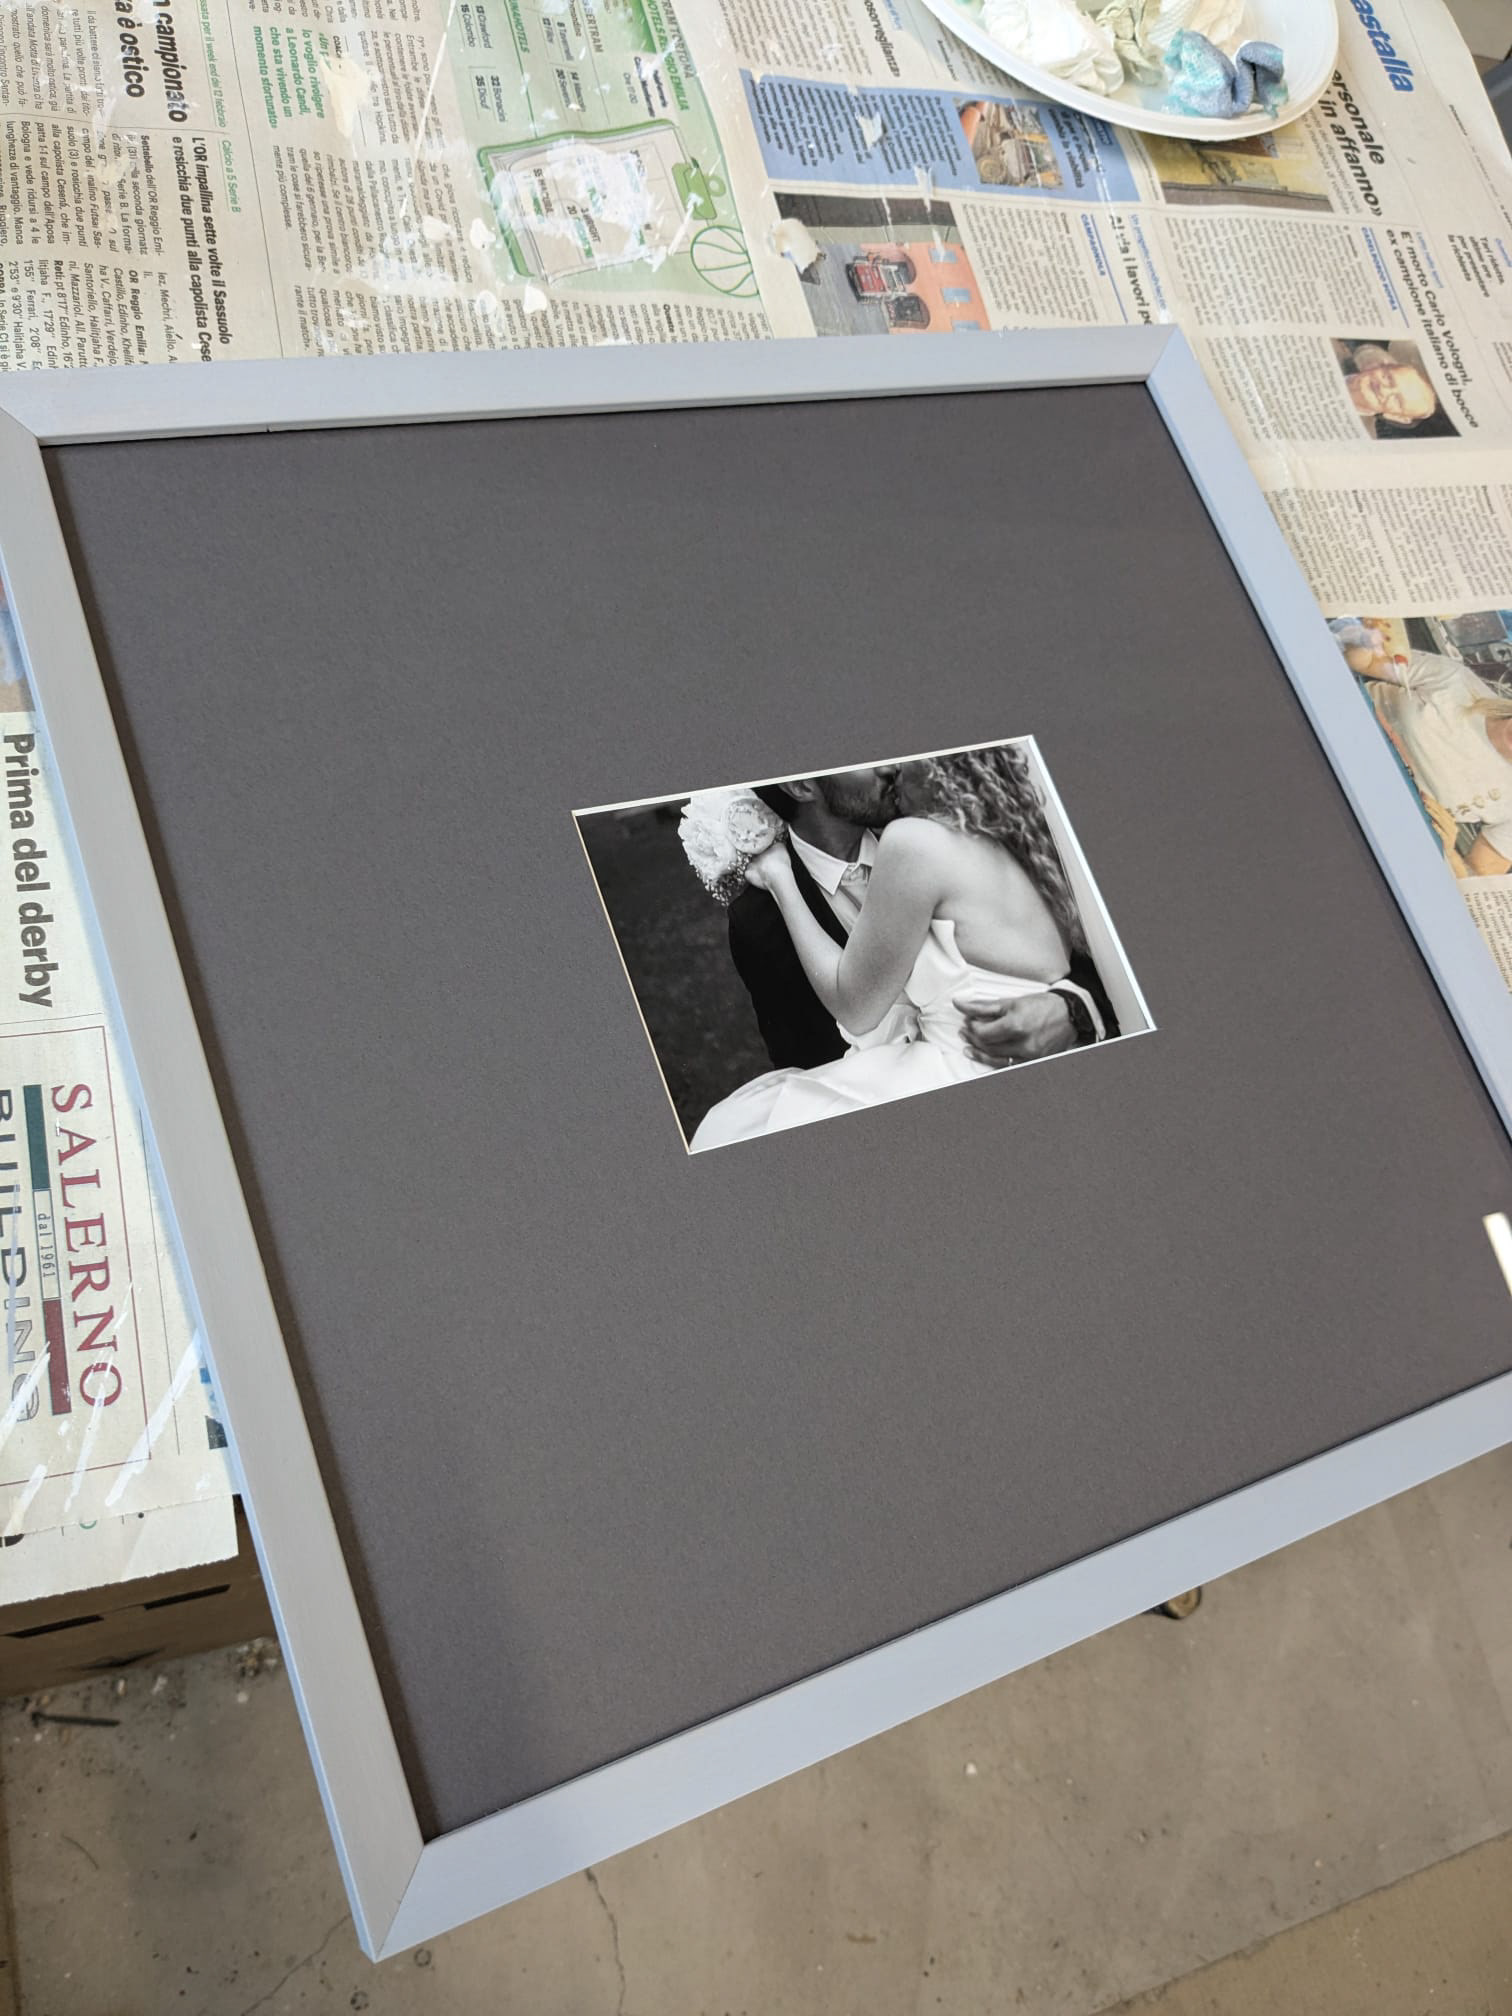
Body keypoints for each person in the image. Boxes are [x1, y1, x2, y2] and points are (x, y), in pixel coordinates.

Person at [694, 748, 1116, 1149]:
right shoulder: (758, 921)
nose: (889, 766)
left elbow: (1101, 959)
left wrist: (1073, 1008)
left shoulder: (936, 834)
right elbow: (802, 1054)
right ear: (803, 786)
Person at [1354, 642, 1512, 875]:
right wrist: (1366, 639)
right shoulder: (1455, 680)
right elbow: (1366, 661)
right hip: (1336, 738)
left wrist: (1448, 851)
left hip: (1373, 822)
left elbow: (1477, 879)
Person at [1335, 341, 1454, 441]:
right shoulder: (1336, 350)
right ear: (1381, 365)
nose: (1384, 390)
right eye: (1389, 379)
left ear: (1395, 417)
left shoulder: (1359, 439)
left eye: (1397, 400)